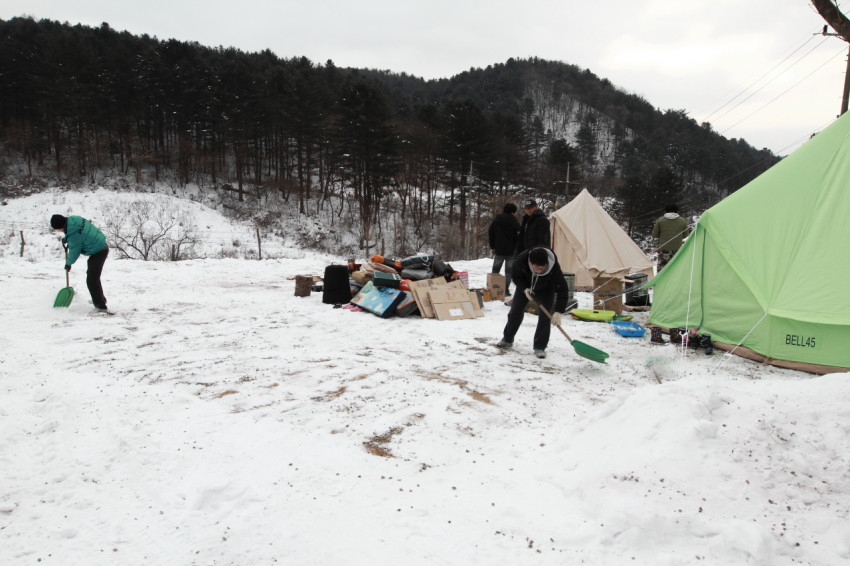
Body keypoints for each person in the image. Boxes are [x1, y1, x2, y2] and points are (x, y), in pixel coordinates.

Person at [496, 247, 569, 359]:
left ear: (546, 264)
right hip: (525, 286)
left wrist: (558, 312)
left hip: (546, 289)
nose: (538, 271)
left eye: (542, 269)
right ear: (530, 263)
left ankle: (540, 346)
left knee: (545, 316)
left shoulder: (554, 268)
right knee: (515, 311)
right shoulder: (521, 260)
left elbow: (563, 290)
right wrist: (524, 288)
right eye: (536, 269)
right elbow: (516, 277)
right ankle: (507, 339)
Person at [51, 214, 110, 313]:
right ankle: (100, 299)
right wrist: (67, 238)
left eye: (57, 229)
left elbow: (74, 251)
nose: (59, 231)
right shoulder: (74, 220)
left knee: (91, 280)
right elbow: (81, 234)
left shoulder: (73, 235)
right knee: (93, 277)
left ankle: (100, 306)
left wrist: (68, 263)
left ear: (60, 226)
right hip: (99, 244)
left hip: (99, 251)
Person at [488, 202, 520, 296]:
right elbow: (519, 236)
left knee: (495, 270)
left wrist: (493, 246)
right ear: (513, 211)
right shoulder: (514, 221)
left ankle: (493, 288)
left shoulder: (497, 220)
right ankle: (505, 290)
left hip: (499, 250)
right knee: (508, 272)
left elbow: (491, 233)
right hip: (511, 251)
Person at [651, 203, 689, 270]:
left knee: (663, 268)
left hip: (664, 248)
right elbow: (685, 235)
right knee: (677, 267)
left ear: (666, 210)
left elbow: (654, 235)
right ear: (677, 210)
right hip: (677, 248)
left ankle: (662, 280)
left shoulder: (660, 220)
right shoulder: (682, 220)